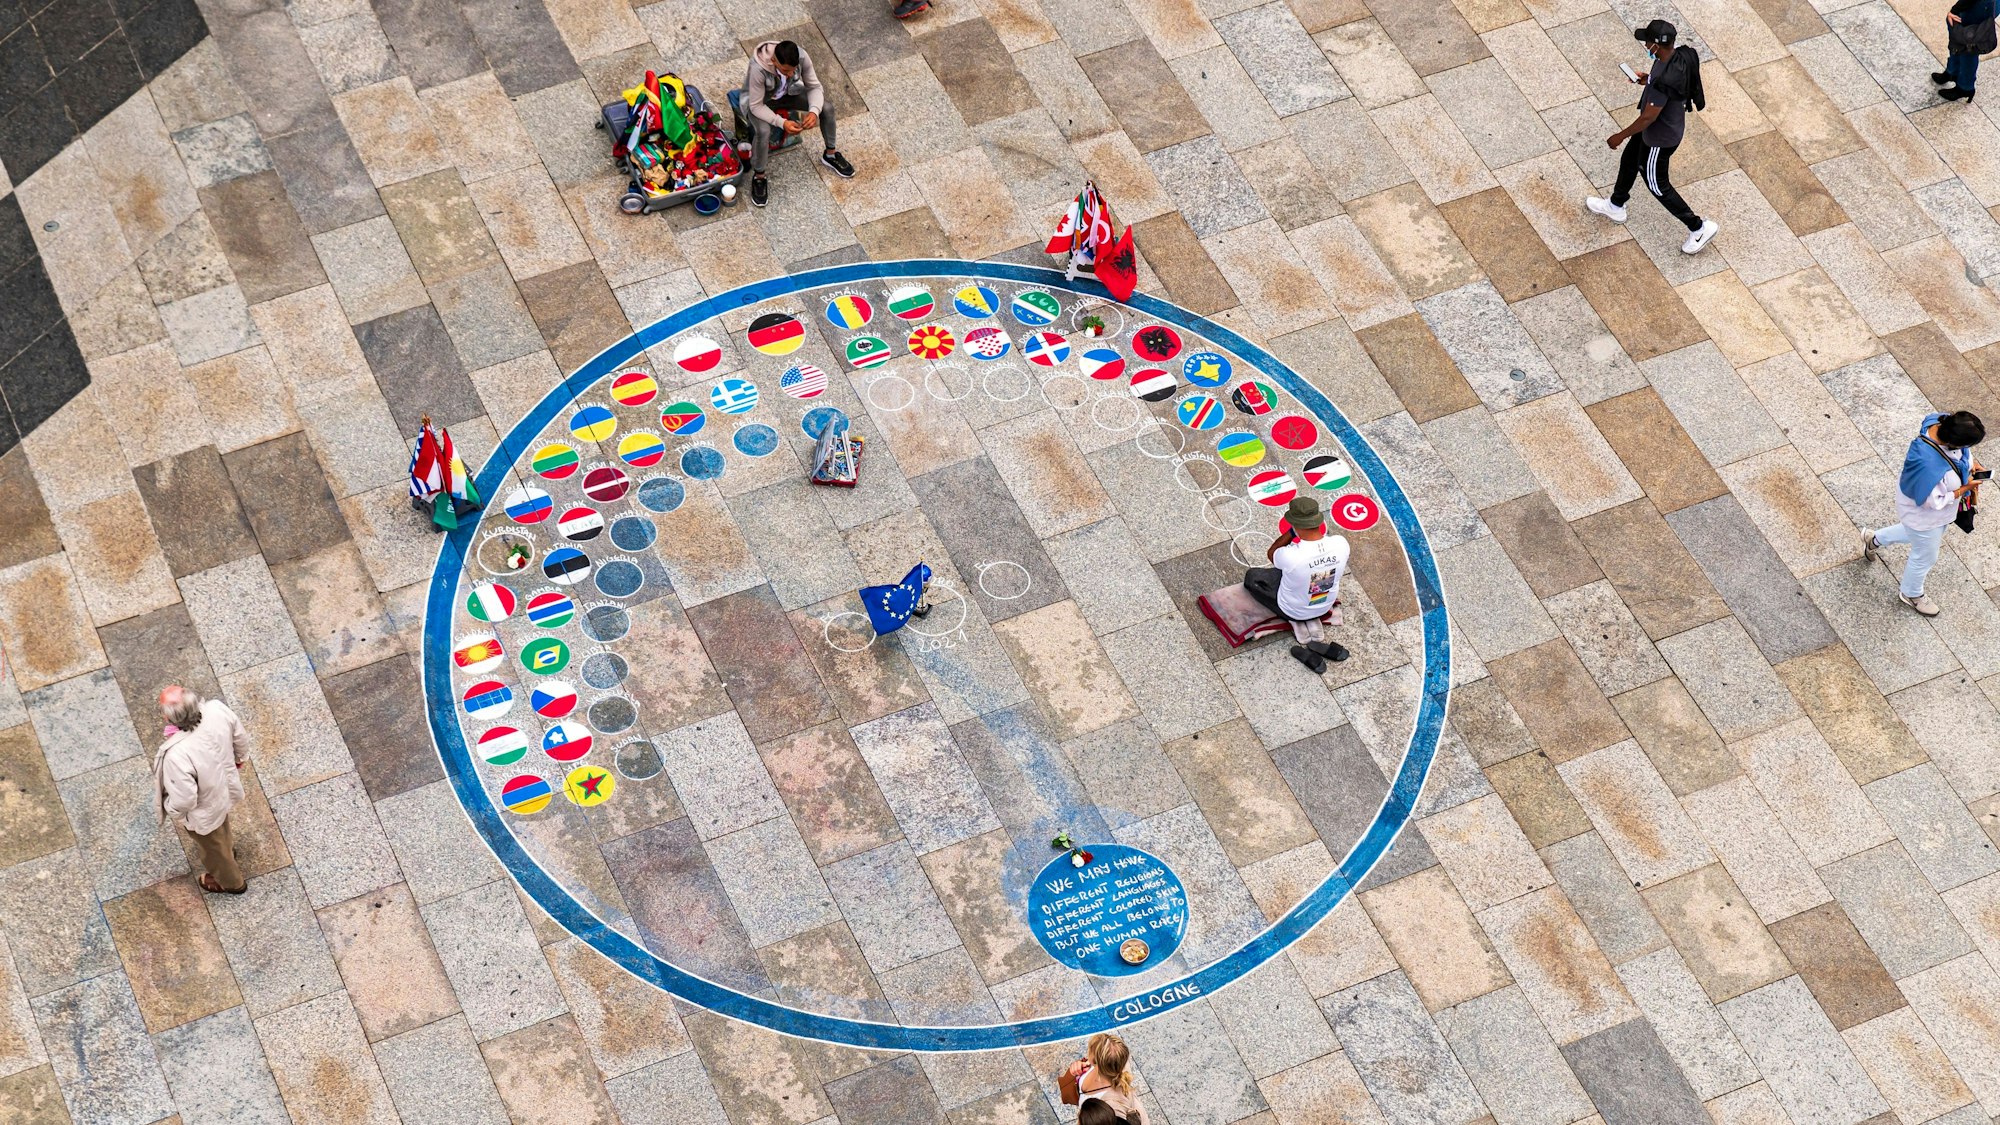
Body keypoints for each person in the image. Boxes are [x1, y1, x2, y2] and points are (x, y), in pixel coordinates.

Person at [1585, 19, 1720, 255]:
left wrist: (1619, 135)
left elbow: (1648, 117)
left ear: (1657, 45)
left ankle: (1698, 227)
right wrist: (1646, 79)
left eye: (1648, 42)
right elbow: (1665, 85)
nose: (1646, 46)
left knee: (1657, 185)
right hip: (1658, 130)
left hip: (1659, 139)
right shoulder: (1676, 58)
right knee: (1629, 160)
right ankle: (1616, 204)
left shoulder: (1664, 80)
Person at [1864, 410, 1985, 616]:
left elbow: (1959, 456)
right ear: (1953, 443)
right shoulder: (1929, 467)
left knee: (1913, 533)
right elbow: (1933, 502)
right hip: (1924, 514)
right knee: (1925, 556)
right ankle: (1911, 593)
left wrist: (1972, 464)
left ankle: (1874, 539)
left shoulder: (1939, 422)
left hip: (1925, 516)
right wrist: (1964, 489)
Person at [152, 686, 253, 894]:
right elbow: (240, 738)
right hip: (225, 788)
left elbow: (185, 798)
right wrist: (239, 760)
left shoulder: (176, 754)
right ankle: (228, 851)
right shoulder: (217, 709)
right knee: (222, 827)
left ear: (168, 717)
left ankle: (232, 882)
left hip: (203, 809)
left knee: (211, 849)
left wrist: (170, 808)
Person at [1242, 496, 1351, 673]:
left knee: (1254, 577)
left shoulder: (1291, 555)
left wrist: (1292, 533)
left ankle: (1296, 619)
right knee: (1305, 576)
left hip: (1291, 608)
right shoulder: (1341, 543)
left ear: (1294, 523)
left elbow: (1272, 554)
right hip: (1324, 606)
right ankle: (1309, 621)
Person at [742, 40, 854, 208]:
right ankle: (759, 176)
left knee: (827, 108)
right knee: (763, 131)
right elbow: (756, 106)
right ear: (774, 61)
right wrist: (782, 122)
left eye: (793, 70)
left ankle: (830, 154)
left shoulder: (801, 56)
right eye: (785, 70)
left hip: (788, 94)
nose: (790, 74)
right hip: (760, 102)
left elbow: (814, 86)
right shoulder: (758, 68)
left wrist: (814, 111)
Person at [1060, 1033, 1146, 1123]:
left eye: (1090, 1051)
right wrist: (1078, 1068)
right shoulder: (1113, 1063)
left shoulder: (1114, 1108)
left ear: (1095, 1060)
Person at [1936, 0, 1997, 101]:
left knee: (1968, 45)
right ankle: (1953, 71)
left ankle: (1965, 87)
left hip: (1979, 5)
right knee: (1960, 37)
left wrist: (1955, 10)